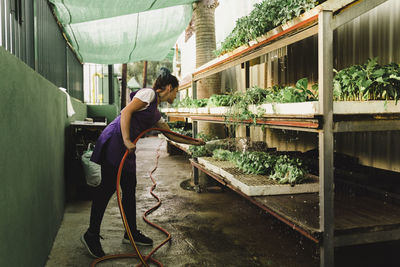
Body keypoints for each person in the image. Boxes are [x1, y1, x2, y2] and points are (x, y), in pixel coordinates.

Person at [81, 67, 205, 258]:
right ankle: (91, 235)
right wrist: (126, 139)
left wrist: (195, 142)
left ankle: (130, 234)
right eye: (176, 91)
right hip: (117, 142)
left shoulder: (155, 112)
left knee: (129, 189)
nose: (176, 95)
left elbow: (169, 134)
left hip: (126, 147)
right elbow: (125, 112)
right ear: (169, 87)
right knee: (107, 189)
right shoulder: (148, 94)